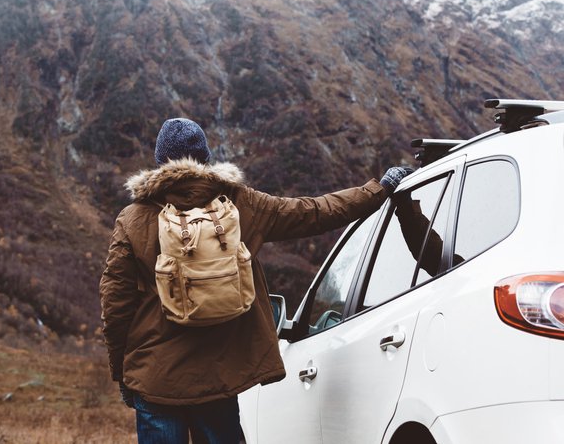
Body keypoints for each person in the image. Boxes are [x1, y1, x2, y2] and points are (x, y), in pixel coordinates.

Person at [99, 118, 412, 443]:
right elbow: (315, 212)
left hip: (156, 379)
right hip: (219, 378)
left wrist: (122, 372)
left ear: (160, 161)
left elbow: (115, 305)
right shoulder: (238, 203)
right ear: (205, 158)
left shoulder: (133, 219)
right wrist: (380, 189)